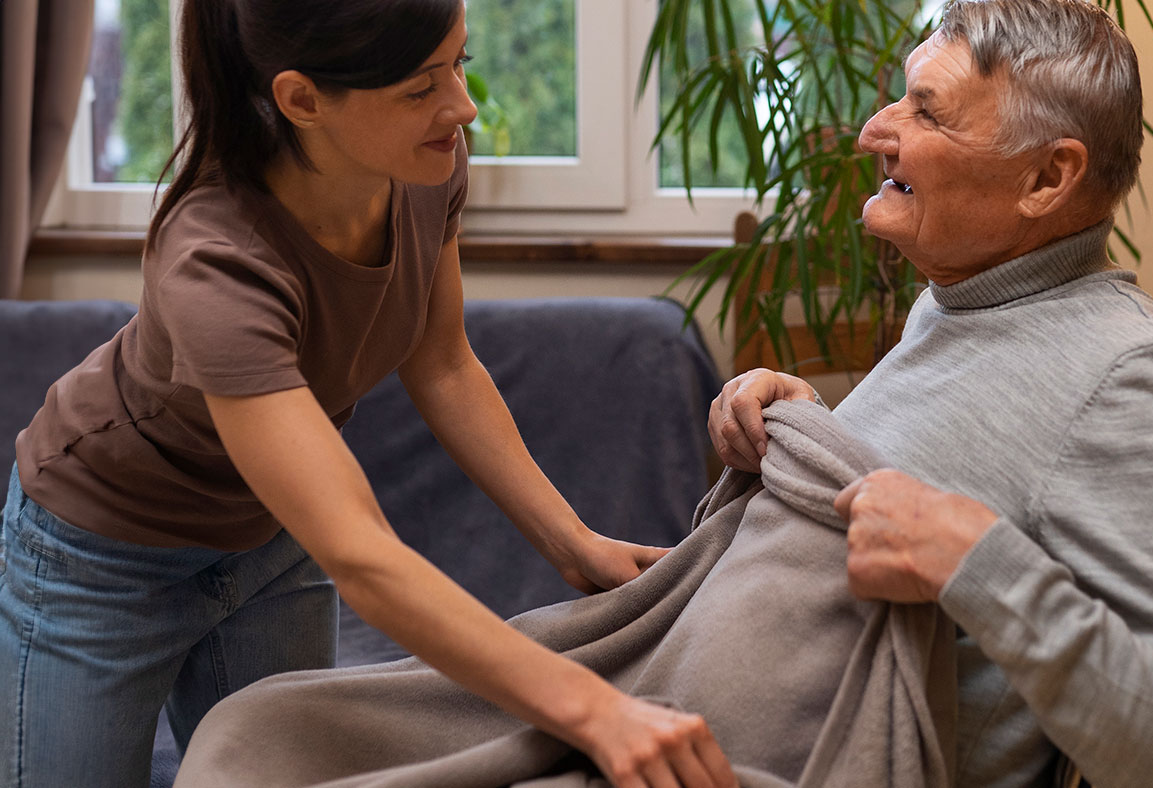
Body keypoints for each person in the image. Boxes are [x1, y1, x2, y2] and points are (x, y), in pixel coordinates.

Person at [0, 2, 735, 788]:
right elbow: (360, 553)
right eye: (421, 88)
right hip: (104, 558)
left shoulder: (427, 163)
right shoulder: (215, 263)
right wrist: (594, 711)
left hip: (265, 547)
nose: (463, 105)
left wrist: (571, 540)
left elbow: (443, 362)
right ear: (302, 100)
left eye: (459, 62)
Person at [709, 0, 1153, 786]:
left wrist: (978, 562)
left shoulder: (1140, 381)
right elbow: (961, 474)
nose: (874, 129)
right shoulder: (956, 300)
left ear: (1047, 176)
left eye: (927, 113)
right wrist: (812, 434)